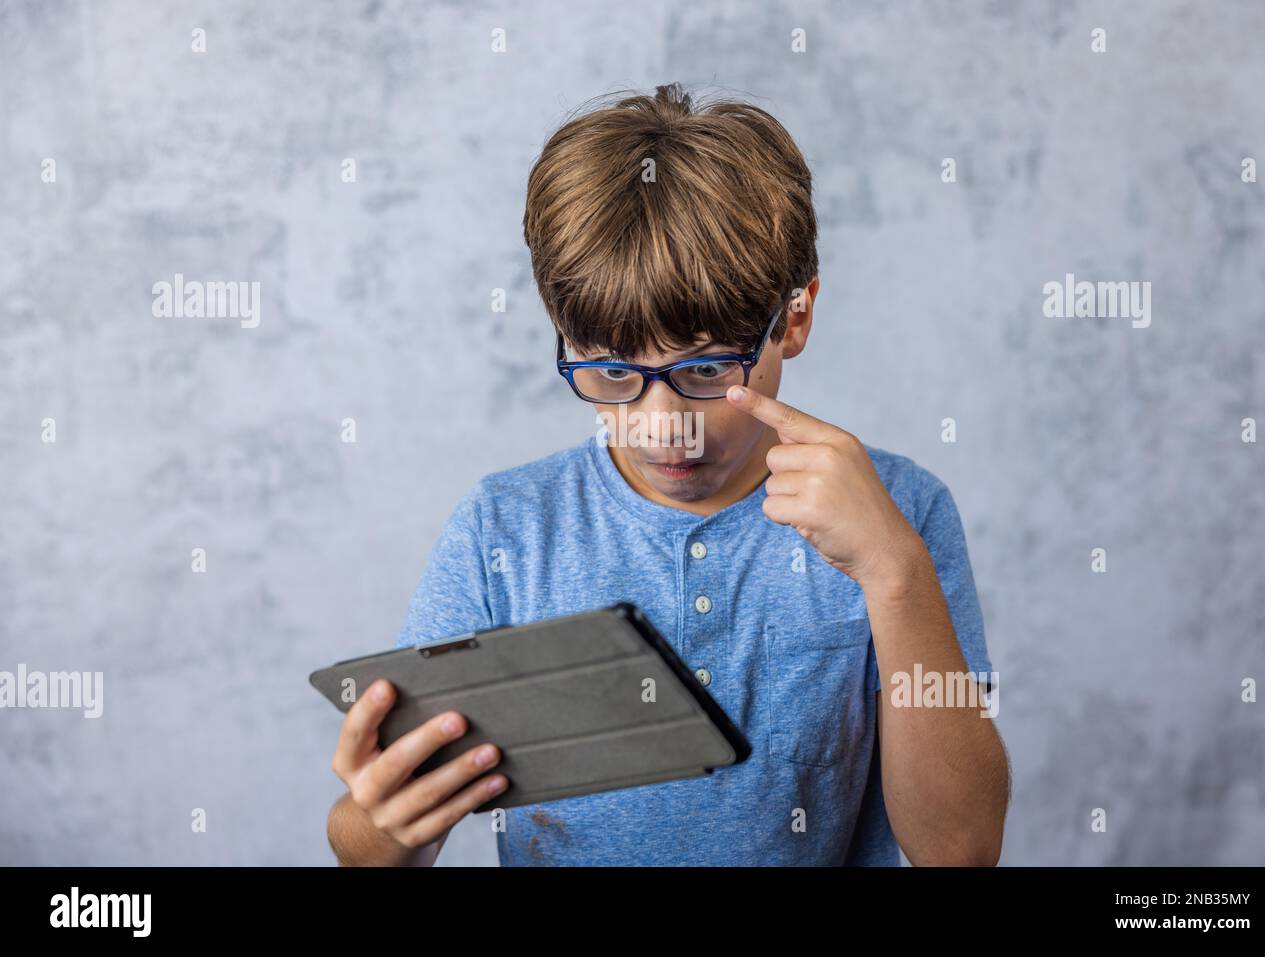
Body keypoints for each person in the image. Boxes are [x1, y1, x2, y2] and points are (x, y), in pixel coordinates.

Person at [326, 82, 1009, 867]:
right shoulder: (505, 530)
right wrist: (382, 819)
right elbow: (364, 843)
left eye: (707, 368)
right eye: (613, 371)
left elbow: (962, 848)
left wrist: (894, 574)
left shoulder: (901, 515)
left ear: (794, 317)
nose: (661, 423)